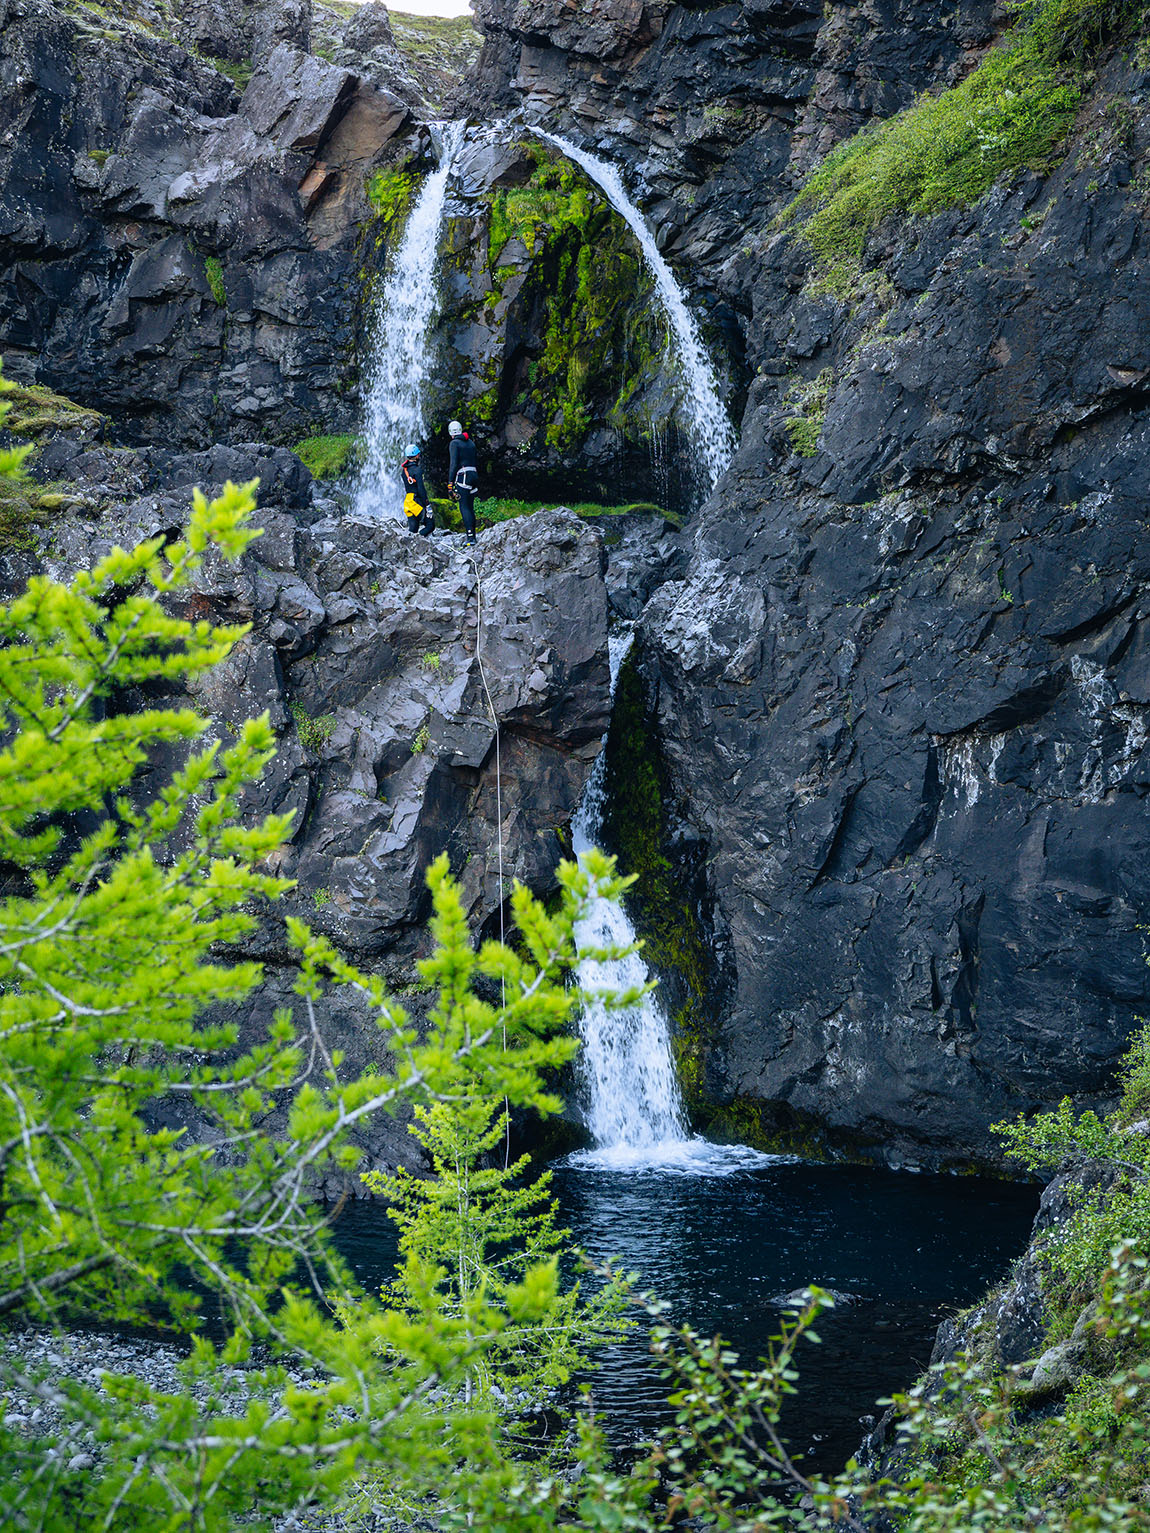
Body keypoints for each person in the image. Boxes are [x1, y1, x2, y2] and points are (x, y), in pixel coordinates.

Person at [447, 420, 479, 545]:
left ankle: (470, 538)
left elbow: (453, 464)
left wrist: (450, 483)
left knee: (464, 507)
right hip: (474, 474)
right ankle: (472, 535)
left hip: (463, 475)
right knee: (470, 507)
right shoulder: (470, 443)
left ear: (451, 432)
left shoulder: (454, 443)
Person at [400, 443, 432, 536]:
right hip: (416, 501)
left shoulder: (404, 471)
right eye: (418, 454)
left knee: (413, 529)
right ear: (417, 455)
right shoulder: (417, 470)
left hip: (408, 502)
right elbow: (421, 489)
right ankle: (419, 539)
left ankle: (410, 545)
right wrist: (427, 505)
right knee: (430, 525)